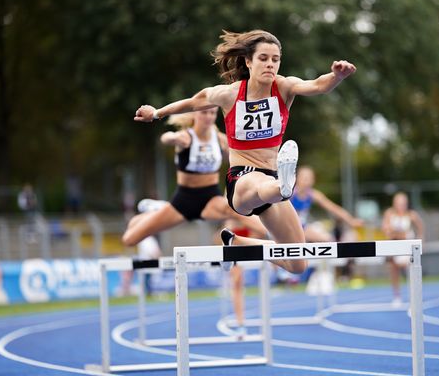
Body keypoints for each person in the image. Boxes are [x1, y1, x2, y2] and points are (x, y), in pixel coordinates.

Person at [134, 29, 356, 274]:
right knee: (264, 185)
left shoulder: (284, 87)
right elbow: (194, 101)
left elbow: (317, 85)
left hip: (272, 184)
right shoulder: (230, 94)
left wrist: (337, 76)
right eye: (263, 58)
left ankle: (237, 243)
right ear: (248, 61)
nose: (270, 64)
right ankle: (284, 184)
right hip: (242, 180)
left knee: (297, 263)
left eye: (275, 59)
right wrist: (156, 113)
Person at [122, 108, 264, 247]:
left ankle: (275, 238)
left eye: (212, 113)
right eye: (204, 112)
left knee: (239, 213)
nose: (208, 117)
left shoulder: (219, 139)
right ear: (195, 114)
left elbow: (240, 156)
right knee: (129, 240)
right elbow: (165, 138)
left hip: (211, 199)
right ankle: (158, 210)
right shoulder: (186, 137)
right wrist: (173, 138)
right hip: (183, 202)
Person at [291, 166, 363, 241]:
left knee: (327, 238)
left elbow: (333, 208)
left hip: (302, 227)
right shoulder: (290, 194)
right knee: (323, 238)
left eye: (310, 179)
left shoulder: (313, 194)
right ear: (296, 178)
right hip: (288, 227)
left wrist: (350, 220)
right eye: (304, 178)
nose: (307, 181)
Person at [381, 192, 424, 307]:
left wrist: (420, 241)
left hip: (407, 246)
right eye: (398, 203)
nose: (401, 206)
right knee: (393, 269)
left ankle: (414, 296)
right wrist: (400, 234)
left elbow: (420, 228)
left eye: (403, 203)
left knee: (411, 270)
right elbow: (386, 230)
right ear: (394, 203)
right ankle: (397, 296)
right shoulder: (389, 214)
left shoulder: (411, 215)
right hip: (393, 246)